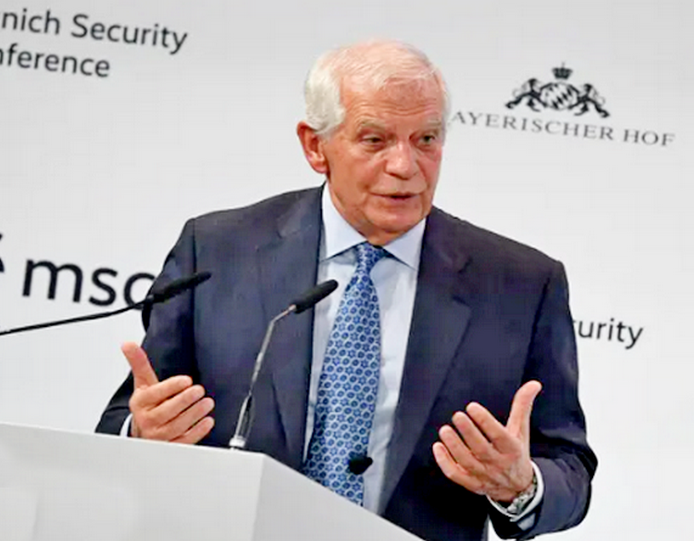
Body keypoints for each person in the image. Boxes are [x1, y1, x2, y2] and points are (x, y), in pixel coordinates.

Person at [96, 40, 596, 541]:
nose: (405, 166)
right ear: (315, 146)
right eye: (375, 140)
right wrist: (140, 435)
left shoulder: (519, 285)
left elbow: (568, 467)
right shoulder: (217, 251)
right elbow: (127, 420)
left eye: (425, 139)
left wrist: (522, 486)